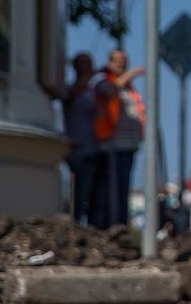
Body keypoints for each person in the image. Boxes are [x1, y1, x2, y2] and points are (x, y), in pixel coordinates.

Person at [90, 50, 145, 229]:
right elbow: (108, 92)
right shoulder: (102, 79)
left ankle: (120, 226)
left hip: (128, 144)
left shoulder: (129, 88)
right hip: (111, 145)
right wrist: (131, 74)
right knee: (109, 191)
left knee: (122, 189)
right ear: (109, 62)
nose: (121, 65)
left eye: (124, 62)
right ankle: (108, 226)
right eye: (118, 62)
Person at [41, 52, 98, 223]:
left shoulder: (92, 91)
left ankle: (87, 225)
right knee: (77, 192)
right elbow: (69, 95)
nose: (87, 68)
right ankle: (75, 223)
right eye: (82, 64)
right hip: (76, 148)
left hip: (93, 149)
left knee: (91, 193)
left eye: (88, 64)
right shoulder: (70, 89)